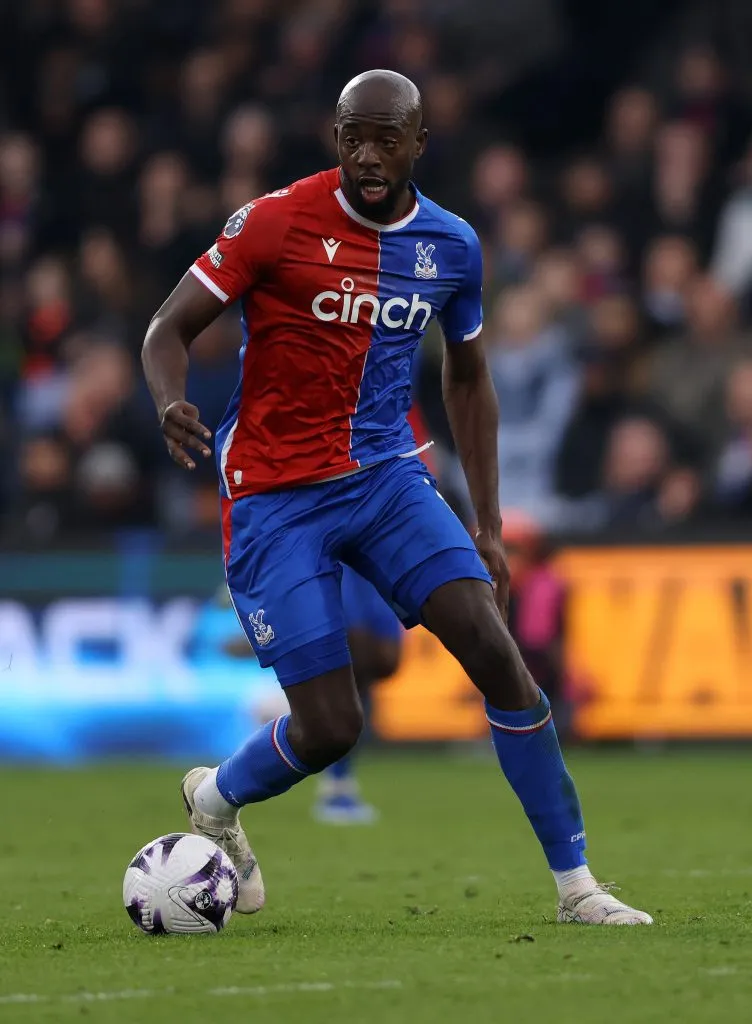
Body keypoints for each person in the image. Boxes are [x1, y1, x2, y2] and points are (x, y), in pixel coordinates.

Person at [142, 69, 651, 926]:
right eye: (353, 137)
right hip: (274, 494)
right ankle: (219, 796)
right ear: (335, 138)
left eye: (387, 138)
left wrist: (487, 522)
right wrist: (169, 401)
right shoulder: (273, 221)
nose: (369, 155)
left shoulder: (452, 246)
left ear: (420, 142)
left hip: (385, 478)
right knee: (332, 728)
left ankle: (578, 888)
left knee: (498, 656)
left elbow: (469, 375)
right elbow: (167, 329)